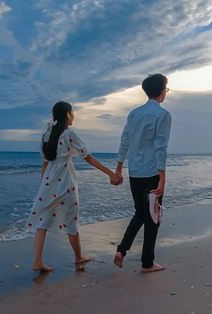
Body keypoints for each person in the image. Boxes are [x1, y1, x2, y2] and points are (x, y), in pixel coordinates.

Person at [28, 101, 118, 272]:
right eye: (73, 112)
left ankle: (37, 261)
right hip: (65, 184)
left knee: (43, 220)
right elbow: (88, 157)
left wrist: (42, 185)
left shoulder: (47, 133)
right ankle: (78, 257)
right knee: (72, 220)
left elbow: (45, 163)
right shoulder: (68, 134)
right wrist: (110, 173)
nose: (74, 115)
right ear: (68, 114)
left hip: (47, 184)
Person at [113, 73, 172, 273]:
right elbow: (160, 146)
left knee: (140, 212)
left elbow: (125, 141)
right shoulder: (163, 114)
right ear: (162, 91)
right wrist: (162, 177)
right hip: (151, 172)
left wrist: (119, 168)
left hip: (135, 172)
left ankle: (122, 250)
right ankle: (147, 263)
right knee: (153, 216)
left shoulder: (134, 114)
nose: (166, 92)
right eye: (166, 88)